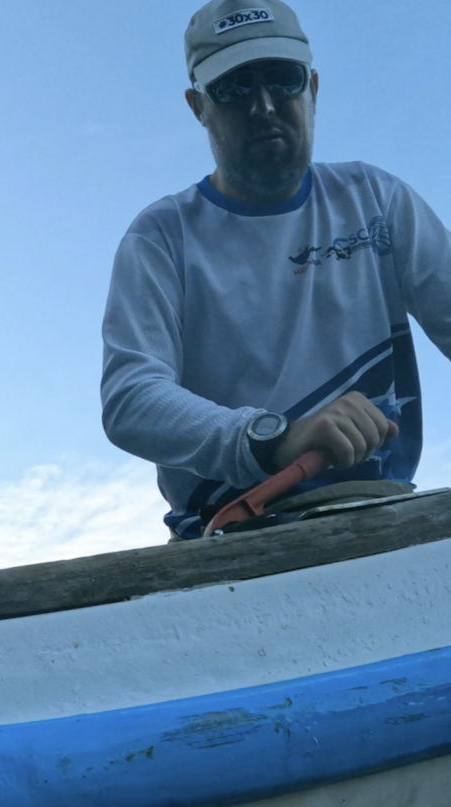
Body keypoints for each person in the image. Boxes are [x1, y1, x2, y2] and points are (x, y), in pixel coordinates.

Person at [100, 0, 451, 540]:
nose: (263, 105)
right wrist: (272, 438)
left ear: (313, 87)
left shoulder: (376, 199)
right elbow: (131, 400)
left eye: (283, 79)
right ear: (198, 106)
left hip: (385, 521)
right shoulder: (161, 237)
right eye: (234, 87)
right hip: (229, 542)